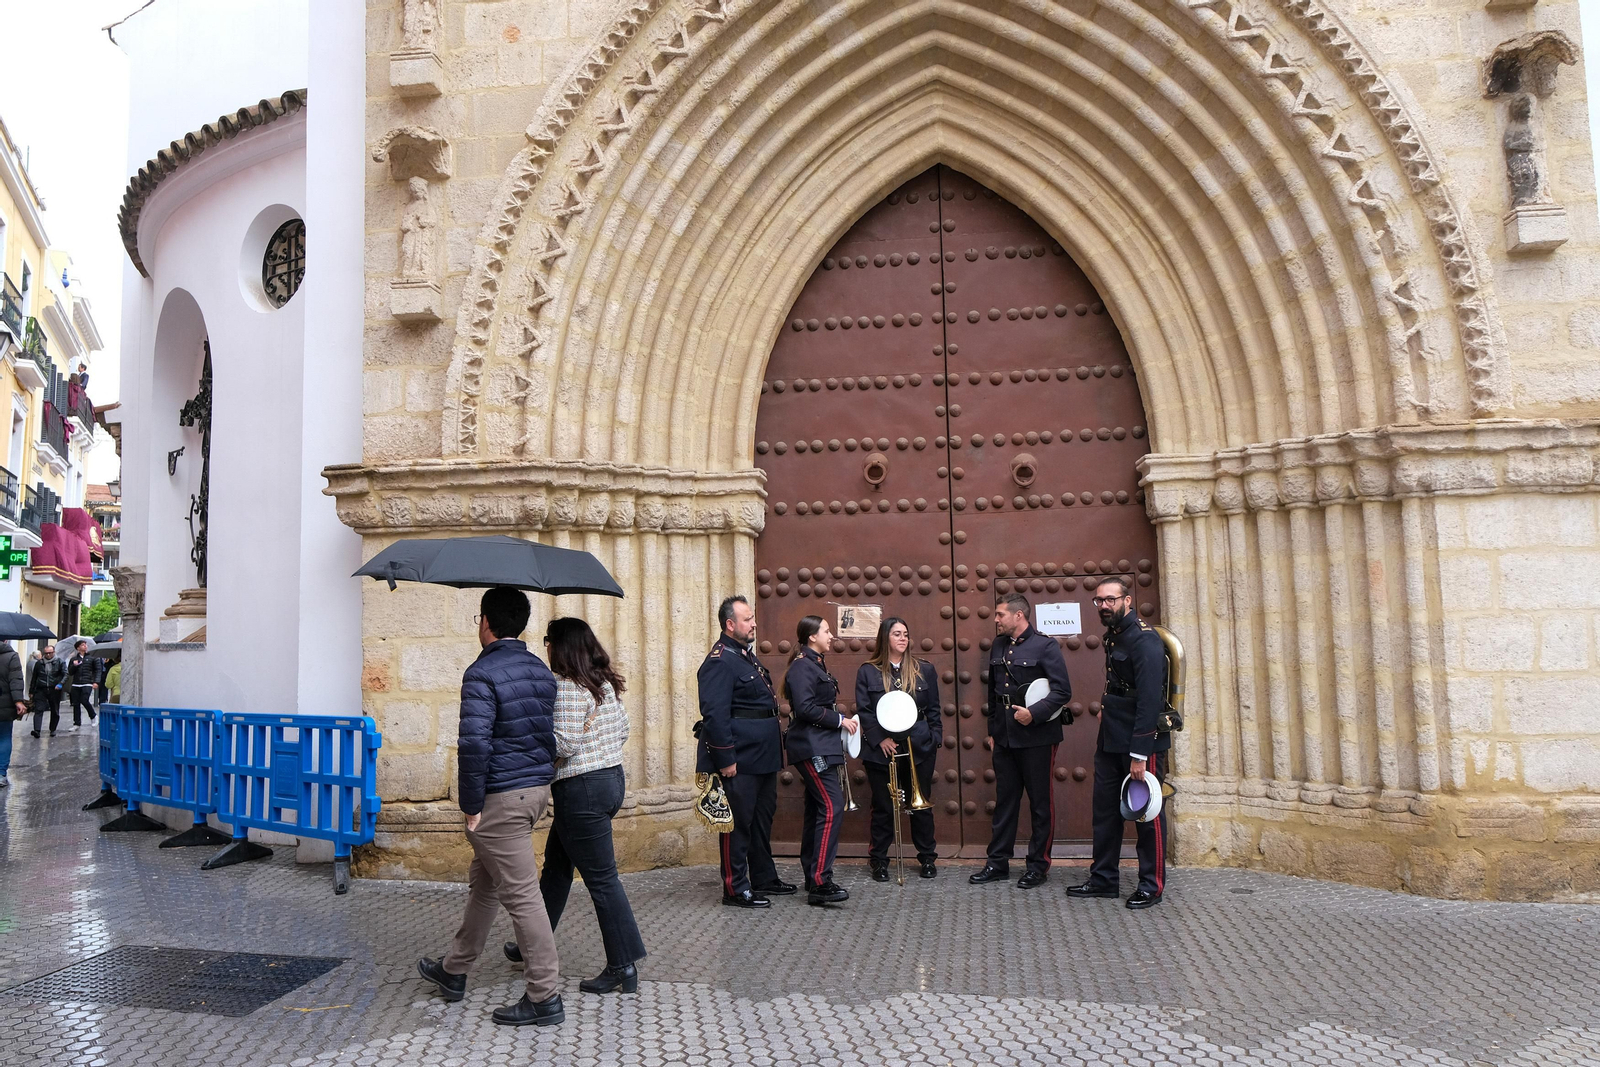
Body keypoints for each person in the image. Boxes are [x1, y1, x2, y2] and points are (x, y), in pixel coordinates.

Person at [417, 586, 566, 1027]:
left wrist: (470, 805)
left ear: (485, 622)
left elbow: (474, 743)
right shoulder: (539, 670)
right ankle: (454, 970)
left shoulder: (481, 673)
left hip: (501, 796)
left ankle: (544, 996)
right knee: (484, 882)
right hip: (534, 791)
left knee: (522, 895)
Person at [506, 616, 647, 994]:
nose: (546, 646)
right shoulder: (603, 683)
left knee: (602, 879)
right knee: (556, 869)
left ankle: (623, 965)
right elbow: (623, 730)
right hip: (609, 781)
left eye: (548, 640)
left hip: (581, 790)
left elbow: (564, 744)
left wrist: (531, 739)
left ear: (561, 646)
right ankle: (529, 944)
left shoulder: (568, 686)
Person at [1068, 576, 1171, 910]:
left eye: (1110, 600)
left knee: (1147, 814)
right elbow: (1119, 681)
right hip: (1112, 736)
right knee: (1105, 811)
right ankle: (1103, 879)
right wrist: (1107, 705)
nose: (1103, 606)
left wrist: (1139, 754)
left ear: (1127, 600)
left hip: (1140, 743)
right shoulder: (1115, 635)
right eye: (1099, 600)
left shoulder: (1144, 640)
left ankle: (1151, 886)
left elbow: (1150, 700)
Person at [969, 593, 1072, 889]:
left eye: (1000, 614)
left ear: (1019, 615)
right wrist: (992, 731)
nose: (996, 620)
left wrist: (1034, 714)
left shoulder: (1045, 646)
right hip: (1005, 737)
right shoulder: (999, 645)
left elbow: (1062, 691)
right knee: (1005, 802)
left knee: (1040, 804)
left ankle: (1038, 866)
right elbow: (994, 693)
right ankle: (997, 863)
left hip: (1037, 737)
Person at [696, 595, 790, 909]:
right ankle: (734, 888)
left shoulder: (744, 656)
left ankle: (763, 877)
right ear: (730, 624)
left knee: (761, 819)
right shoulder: (720, 660)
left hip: (762, 756)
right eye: (747, 619)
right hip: (740, 758)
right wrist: (725, 759)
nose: (754, 624)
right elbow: (715, 715)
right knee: (736, 824)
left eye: (752, 618)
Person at [855, 616, 941, 881]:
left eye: (905, 634)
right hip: (882, 749)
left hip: (919, 745)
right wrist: (879, 739)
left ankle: (927, 858)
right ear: (885, 638)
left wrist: (934, 738)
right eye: (896, 634)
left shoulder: (923, 669)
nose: (903, 638)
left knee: (920, 805)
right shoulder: (868, 671)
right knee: (883, 806)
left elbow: (934, 708)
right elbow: (865, 710)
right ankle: (879, 861)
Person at [782, 615, 856, 906]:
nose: (831, 635)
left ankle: (812, 876)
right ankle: (821, 882)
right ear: (812, 636)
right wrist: (839, 720)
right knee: (832, 804)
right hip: (811, 746)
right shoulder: (803, 666)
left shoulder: (815, 664)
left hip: (821, 745)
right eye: (826, 630)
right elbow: (804, 708)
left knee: (817, 808)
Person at [0, 640, 26, 787]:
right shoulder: (11, 656)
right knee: (4, 737)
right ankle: (1, 774)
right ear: (5, 640)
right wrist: (18, 701)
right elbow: (16, 680)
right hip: (5, 703)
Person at [29, 644, 64, 738]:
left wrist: (60, 683)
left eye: (50, 653)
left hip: (54, 689)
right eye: (46, 653)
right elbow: (34, 677)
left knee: (54, 710)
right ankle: (37, 730)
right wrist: (31, 691)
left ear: (54, 652)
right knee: (38, 709)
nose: (48, 655)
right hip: (41, 689)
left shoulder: (60, 662)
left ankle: (53, 729)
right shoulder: (39, 663)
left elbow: (65, 674)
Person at [66, 641, 99, 727]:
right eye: (82, 645)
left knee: (84, 700)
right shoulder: (73, 659)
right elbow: (70, 672)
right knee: (75, 703)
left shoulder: (92, 658)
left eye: (85, 645)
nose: (85, 646)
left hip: (87, 682)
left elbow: (98, 670)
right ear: (78, 648)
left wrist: (96, 682)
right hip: (76, 683)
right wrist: (74, 665)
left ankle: (93, 716)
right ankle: (77, 723)